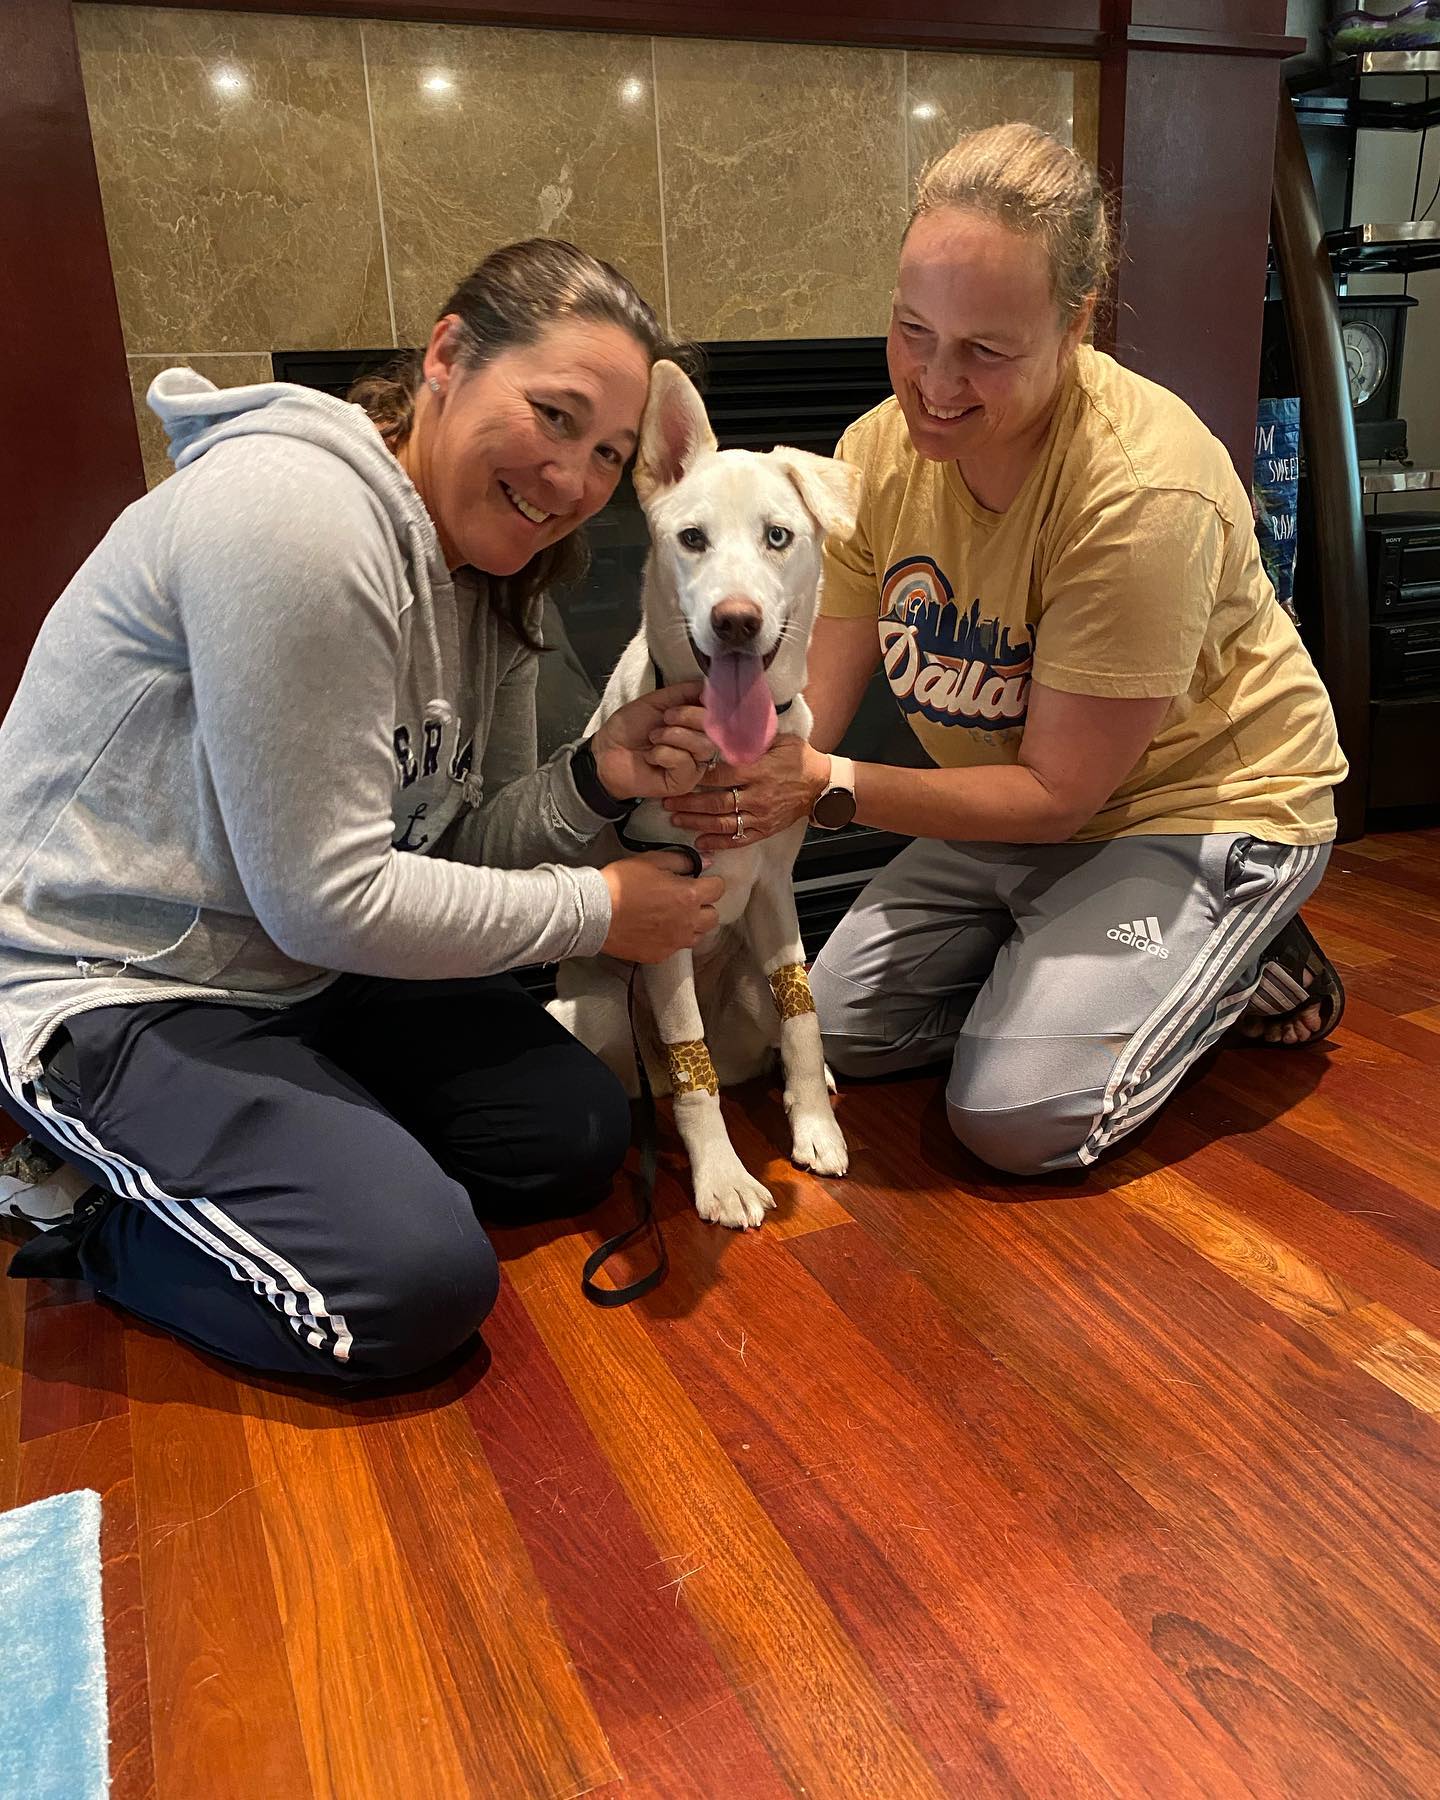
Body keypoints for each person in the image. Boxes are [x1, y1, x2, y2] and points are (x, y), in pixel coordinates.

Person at [0, 239, 723, 1383]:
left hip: (306, 972)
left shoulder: (502, 575)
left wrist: (599, 779)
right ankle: (94, 1216)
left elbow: (456, 843)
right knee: (406, 1286)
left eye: (609, 455)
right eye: (554, 414)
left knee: (569, 1139)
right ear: (447, 355)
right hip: (119, 981)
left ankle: (298, 1159)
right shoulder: (294, 517)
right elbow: (326, 900)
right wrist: (596, 911)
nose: (574, 480)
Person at [661, 125, 1348, 1177]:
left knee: (1020, 1114)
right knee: (829, 1029)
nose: (933, 382)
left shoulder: (1138, 492)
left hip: (1195, 812)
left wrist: (819, 785)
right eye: (910, 330)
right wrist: (728, 772)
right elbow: (809, 711)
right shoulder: (874, 455)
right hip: (1018, 816)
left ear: (1075, 324)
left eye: (985, 349)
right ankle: (1073, 960)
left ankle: (1240, 956)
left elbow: (1059, 795)